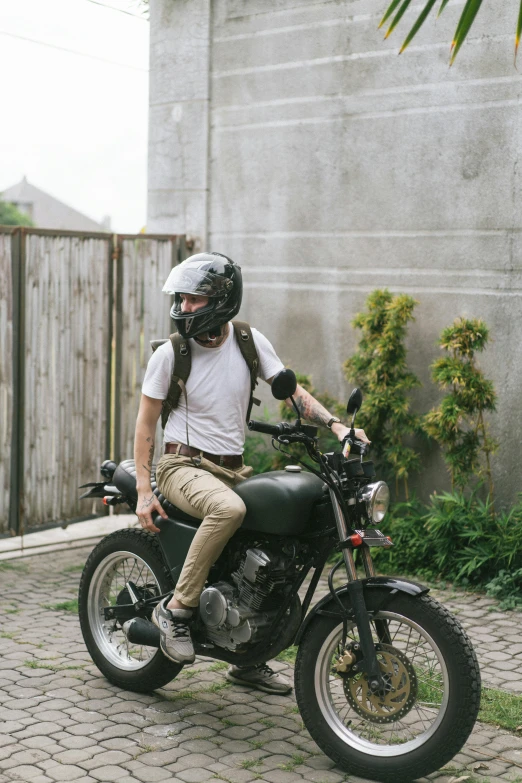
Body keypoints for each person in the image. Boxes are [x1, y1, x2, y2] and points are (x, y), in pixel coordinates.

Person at [134, 252, 369, 695]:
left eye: (193, 300)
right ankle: (177, 610)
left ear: (221, 300)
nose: (183, 307)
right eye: (181, 299)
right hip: (181, 465)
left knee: (282, 544)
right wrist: (145, 491)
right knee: (228, 509)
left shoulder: (248, 341)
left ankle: (248, 654)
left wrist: (338, 425)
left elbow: (291, 392)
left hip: (232, 468)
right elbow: (146, 425)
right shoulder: (171, 354)